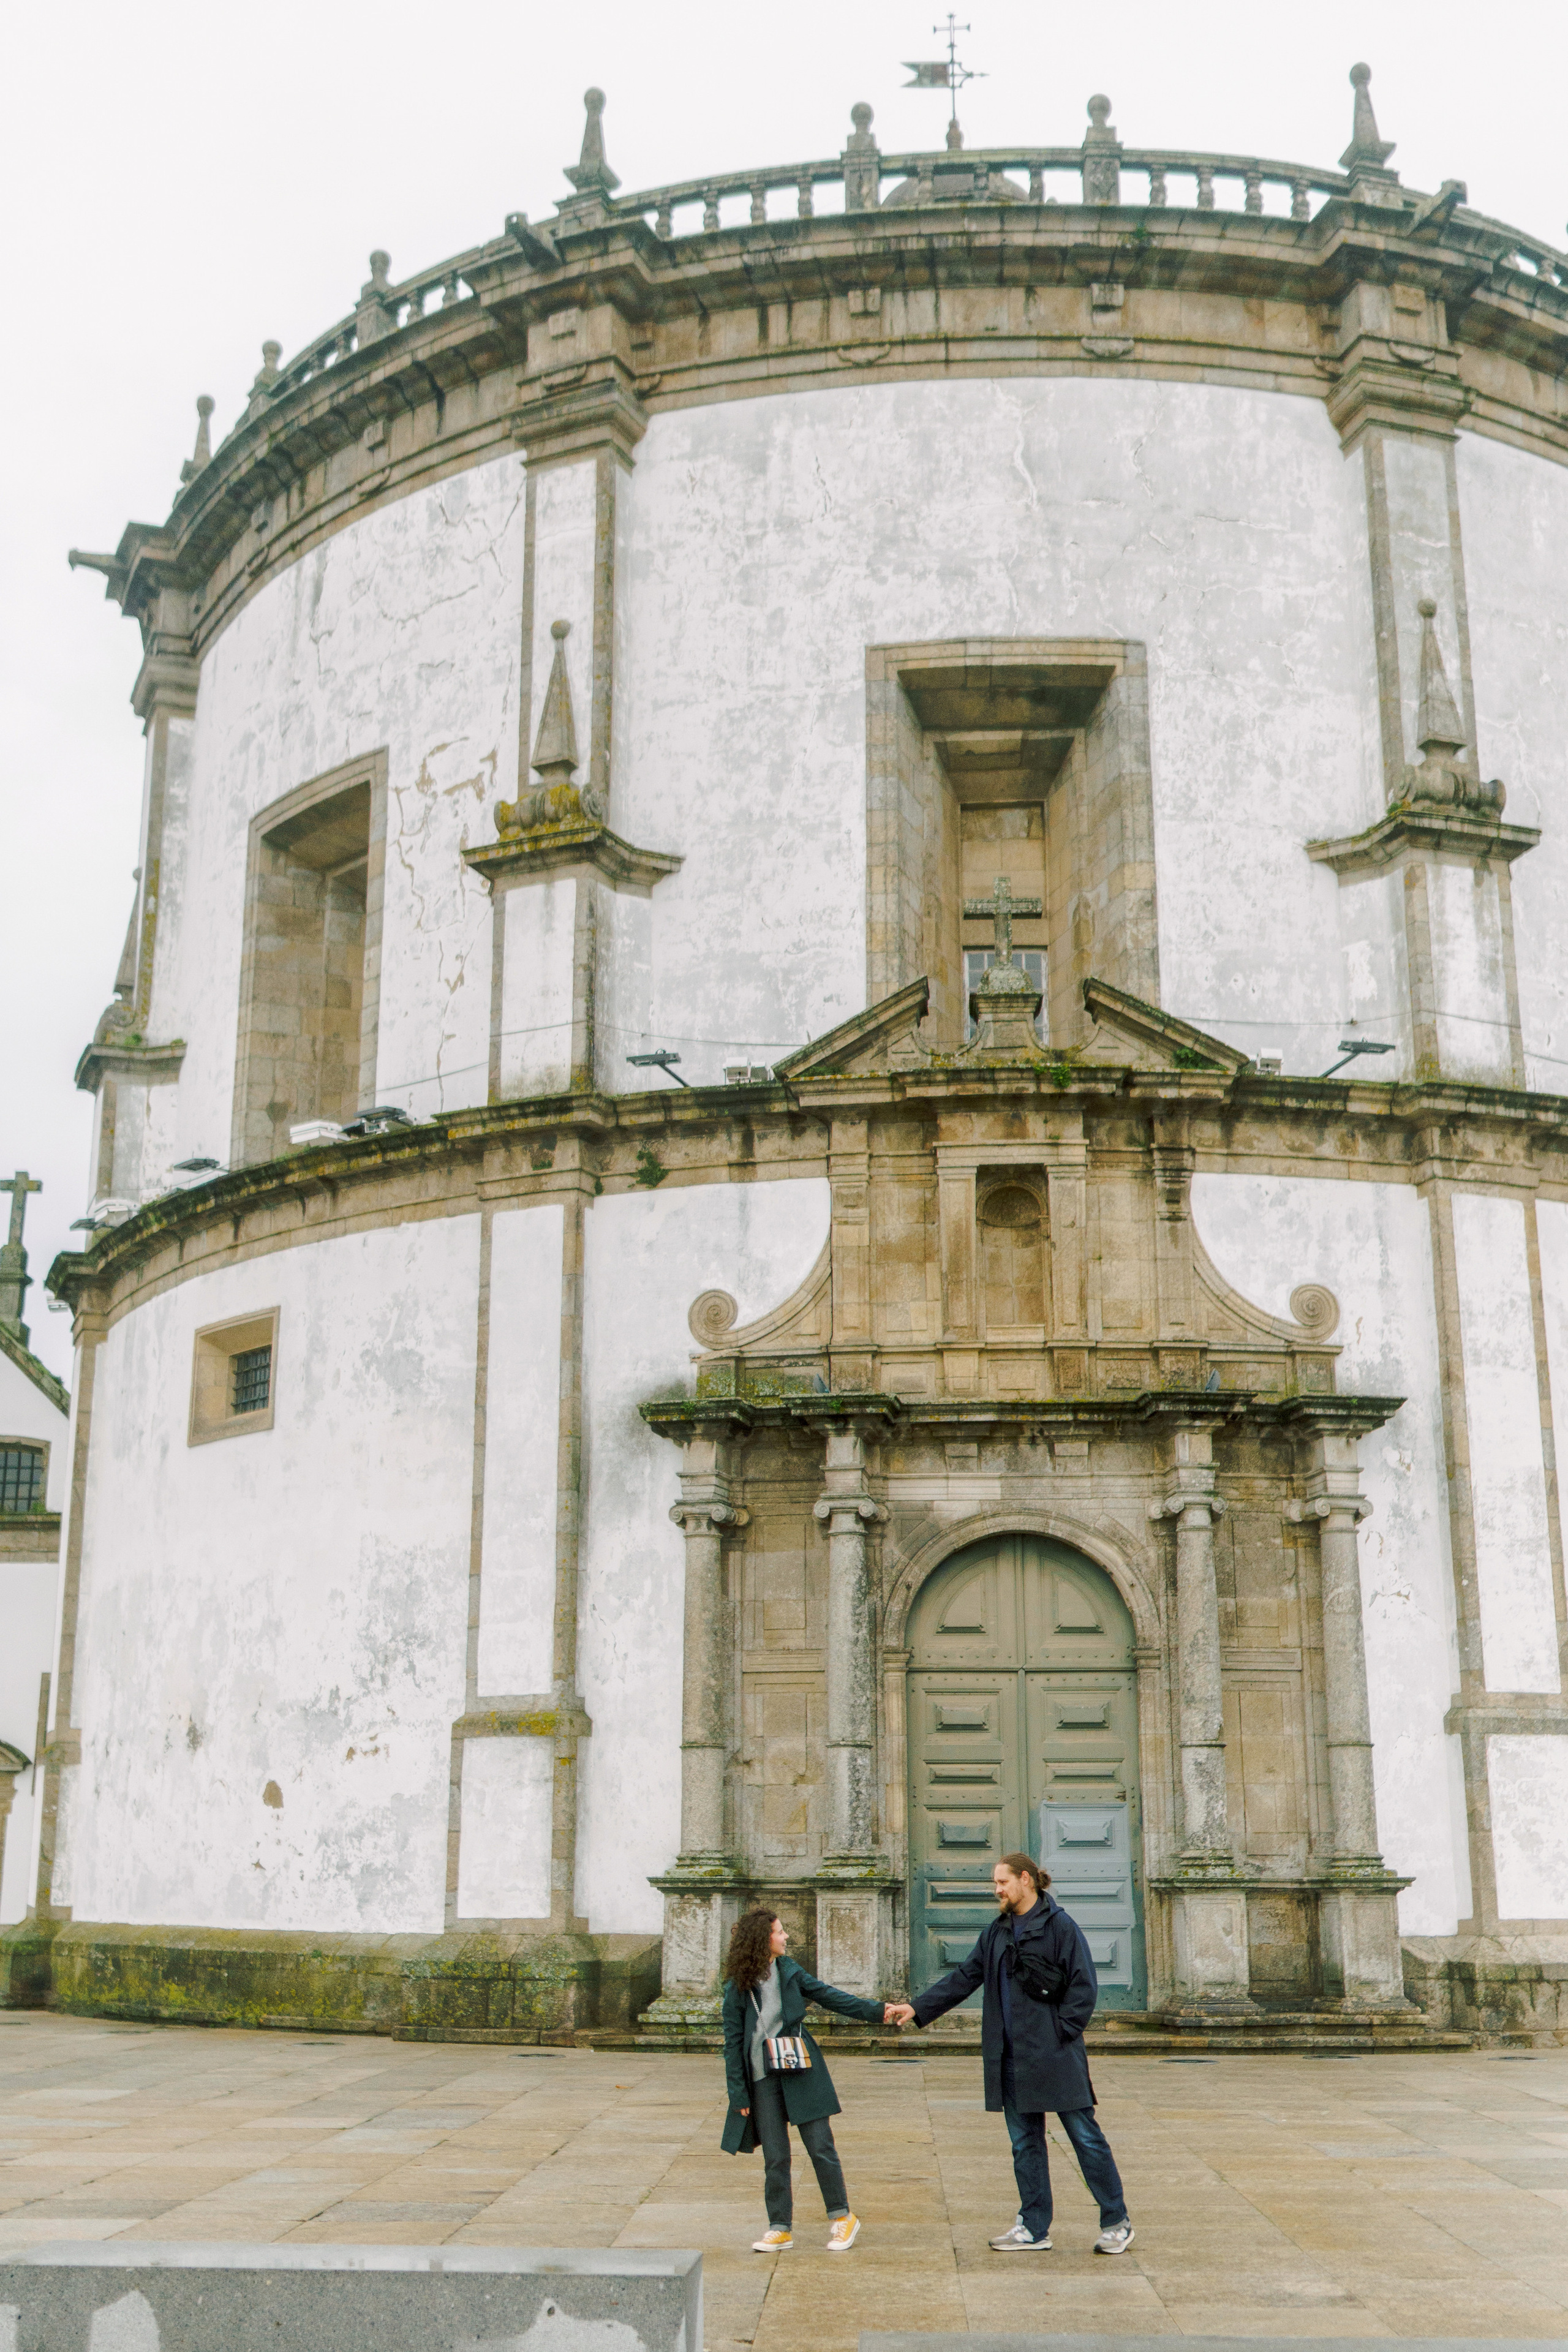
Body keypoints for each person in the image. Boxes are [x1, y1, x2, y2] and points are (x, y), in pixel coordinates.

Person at [886, 1852, 1133, 2255]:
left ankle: (1117, 2222)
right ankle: (1034, 2228)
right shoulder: (997, 1932)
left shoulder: (1062, 1928)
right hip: (1012, 2059)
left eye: (1002, 1883)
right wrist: (917, 2008)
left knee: (1086, 2139)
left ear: (1026, 1880)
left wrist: (1061, 2032)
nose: (997, 1891)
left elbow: (1084, 1986)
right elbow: (964, 1978)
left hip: (1056, 2054)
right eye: (995, 1885)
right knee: (1025, 2144)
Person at [721, 1907, 900, 2253]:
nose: (786, 1937)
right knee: (775, 2156)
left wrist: (879, 2011)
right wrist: (737, 2094)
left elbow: (832, 1997)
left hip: (800, 2069)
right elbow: (732, 2043)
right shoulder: (737, 1987)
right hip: (761, 2078)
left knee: (821, 2146)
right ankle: (780, 2228)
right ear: (763, 1940)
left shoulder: (789, 1972)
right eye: (780, 1932)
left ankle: (842, 2218)